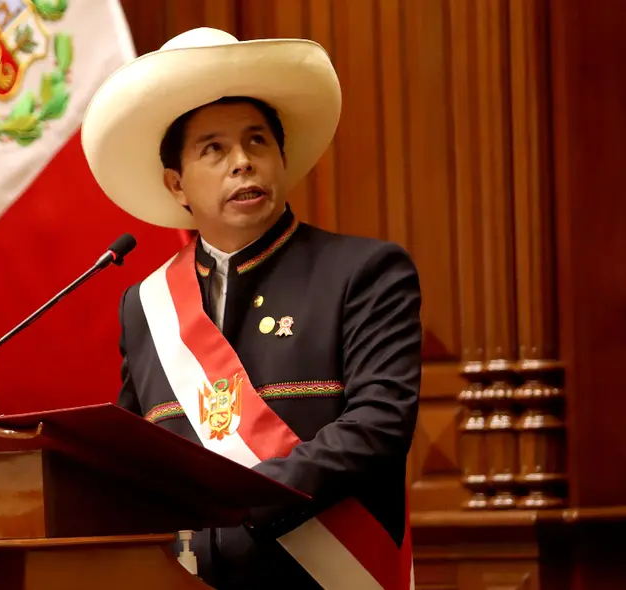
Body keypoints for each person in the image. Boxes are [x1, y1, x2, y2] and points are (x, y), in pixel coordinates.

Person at [81, 27, 421, 590]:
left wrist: (247, 502)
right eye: (213, 148)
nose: (242, 162)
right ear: (177, 184)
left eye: (257, 141)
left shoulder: (362, 273)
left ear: (281, 158)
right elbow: (137, 461)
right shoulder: (145, 306)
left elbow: (379, 426)